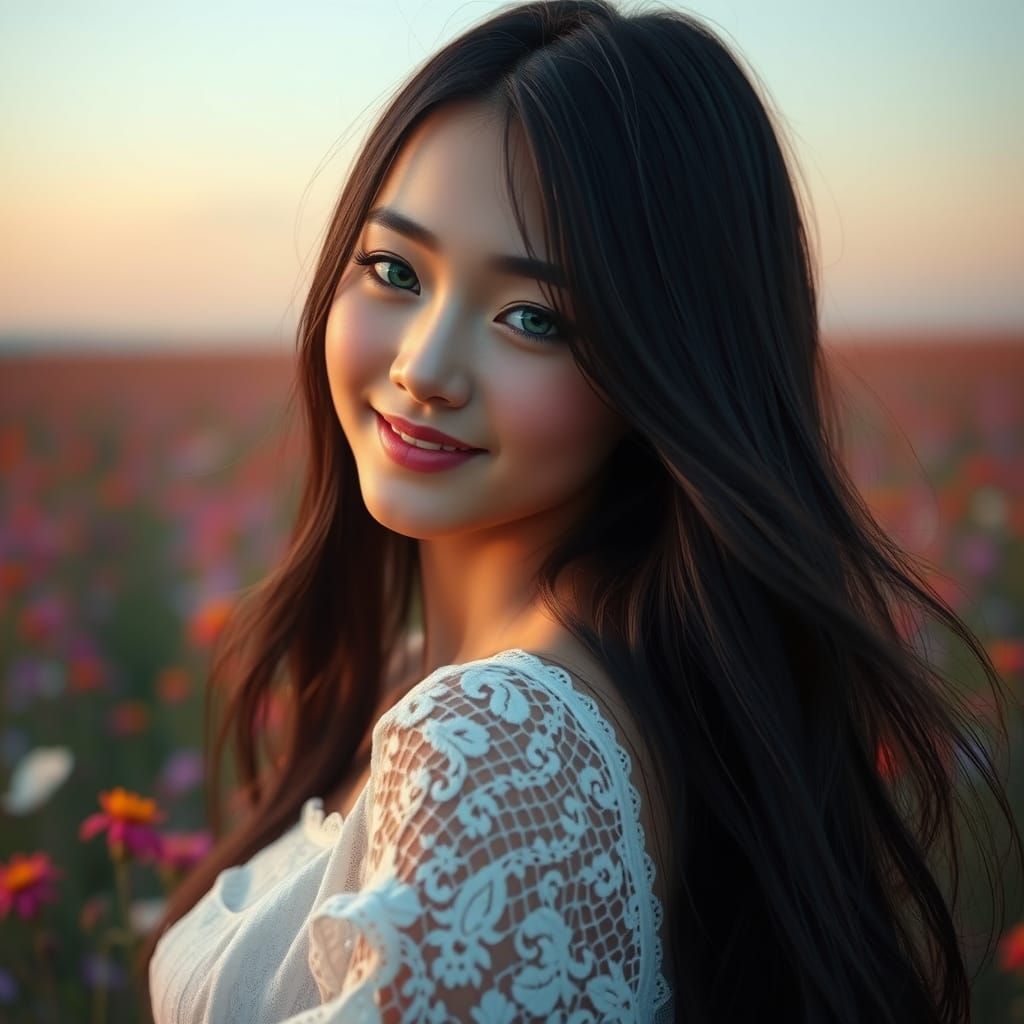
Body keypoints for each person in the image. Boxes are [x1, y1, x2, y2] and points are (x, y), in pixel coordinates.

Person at [139, 2, 1022, 1021]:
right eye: (394, 270)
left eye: (533, 317)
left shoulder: (499, 750)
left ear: (664, 370)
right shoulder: (461, 682)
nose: (423, 368)